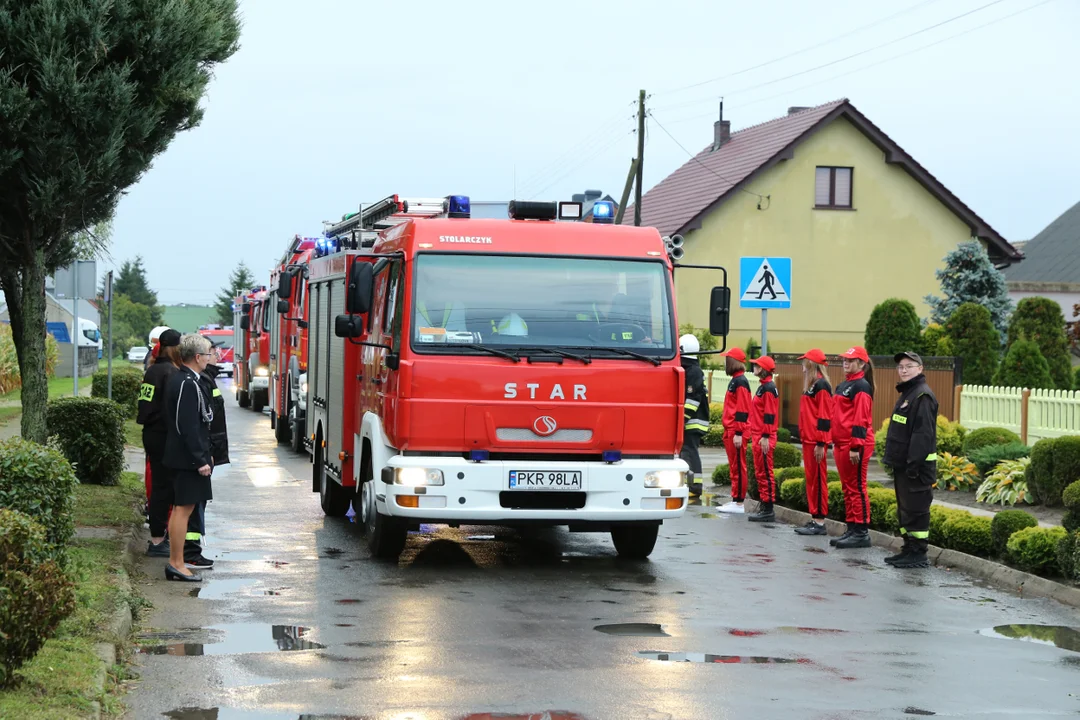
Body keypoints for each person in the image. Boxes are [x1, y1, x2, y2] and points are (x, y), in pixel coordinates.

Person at [163, 334, 216, 582]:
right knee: (183, 510)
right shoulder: (186, 382)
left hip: (184, 457)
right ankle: (177, 563)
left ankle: (177, 562)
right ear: (197, 357)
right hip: (186, 460)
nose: (210, 358)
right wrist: (200, 459)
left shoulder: (185, 379)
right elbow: (188, 425)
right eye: (207, 354)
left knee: (183, 508)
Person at [882, 351, 938, 569]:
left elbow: (922, 436)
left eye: (909, 366)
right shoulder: (908, 393)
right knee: (905, 509)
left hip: (916, 468)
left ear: (920, 369)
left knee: (917, 510)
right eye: (900, 367)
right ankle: (908, 548)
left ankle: (918, 553)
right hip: (904, 466)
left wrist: (913, 465)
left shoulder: (922, 396)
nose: (903, 370)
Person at [137, 328, 182, 557]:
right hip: (165, 436)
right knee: (165, 488)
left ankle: (158, 537)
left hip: (152, 434)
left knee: (159, 486)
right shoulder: (173, 373)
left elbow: (143, 405)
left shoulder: (152, 371)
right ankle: (157, 540)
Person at [183, 360, 231, 569]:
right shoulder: (193, 381)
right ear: (197, 356)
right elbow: (198, 424)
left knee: (196, 503)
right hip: (200, 453)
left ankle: (190, 549)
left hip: (206, 450)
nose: (217, 354)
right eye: (209, 352)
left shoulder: (203, 378)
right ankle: (190, 551)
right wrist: (204, 456)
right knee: (193, 504)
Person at [830, 346, 875, 549]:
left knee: (856, 487)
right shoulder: (844, 385)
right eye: (844, 360)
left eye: (850, 360)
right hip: (842, 444)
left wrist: (856, 446)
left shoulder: (861, 386)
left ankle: (861, 532)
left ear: (861, 364)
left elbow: (861, 418)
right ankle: (851, 528)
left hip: (855, 444)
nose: (845, 363)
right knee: (847, 488)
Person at [795, 349, 833, 536]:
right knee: (812, 480)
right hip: (808, 440)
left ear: (811, 364)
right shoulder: (813, 385)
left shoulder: (821, 386)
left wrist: (821, 443)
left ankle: (819, 522)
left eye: (804, 363)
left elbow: (825, 416)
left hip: (815, 442)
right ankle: (814, 518)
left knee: (818, 480)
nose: (802, 367)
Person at [716, 347, 752, 514]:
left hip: (736, 431)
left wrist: (738, 432)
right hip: (732, 429)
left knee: (738, 466)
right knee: (735, 466)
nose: (725, 363)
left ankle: (738, 503)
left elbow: (742, 409)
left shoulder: (740, 382)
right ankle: (735, 500)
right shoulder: (737, 380)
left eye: (727, 359)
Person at [748, 356, 779, 522]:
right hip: (759, 436)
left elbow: (769, 414)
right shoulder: (764, 387)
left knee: (766, 473)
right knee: (761, 472)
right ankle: (764, 505)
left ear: (763, 368)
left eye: (757, 365)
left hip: (764, 437)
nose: (754, 367)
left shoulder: (768, 388)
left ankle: (768, 509)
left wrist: (766, 436)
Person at [679, 334, 710, 497]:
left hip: (693, 421)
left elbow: (692, 399)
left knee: (691, 451)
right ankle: (689, 484)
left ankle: (696, 487)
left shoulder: (693, 371)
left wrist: (681, 419)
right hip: (690, 421)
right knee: (686, 452)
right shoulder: (689, 370)